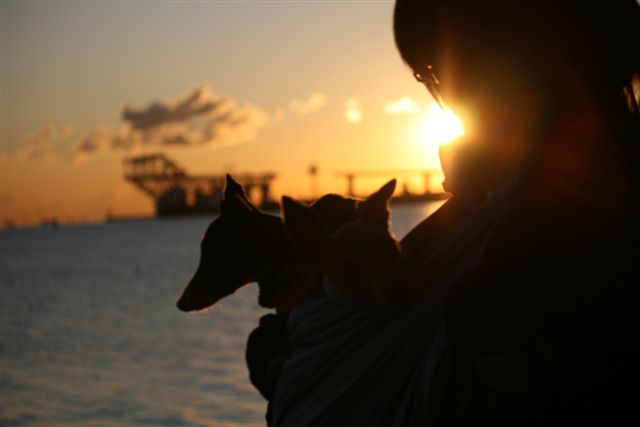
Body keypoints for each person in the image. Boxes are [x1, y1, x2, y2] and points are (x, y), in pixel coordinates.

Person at [394, 0, 640, 424]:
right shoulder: (520, 189)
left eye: (437, 69)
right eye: (428, 75)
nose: (446, 92)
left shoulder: (571, 197)